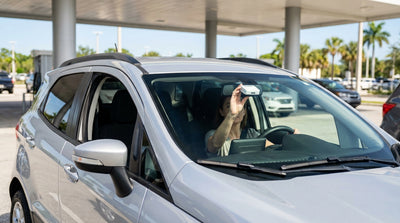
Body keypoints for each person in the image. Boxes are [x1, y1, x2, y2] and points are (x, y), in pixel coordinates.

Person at [205, 84, 296, 156]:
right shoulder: (213, 134)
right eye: (228, 106)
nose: (237, 110)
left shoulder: (251, 134)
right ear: (221, 112)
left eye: (240, 106)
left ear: (244, 111)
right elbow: (214, 145)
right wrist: (232, 114)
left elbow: (274, 149)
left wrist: (291, 141)